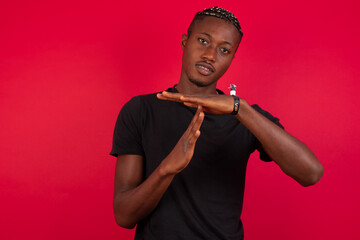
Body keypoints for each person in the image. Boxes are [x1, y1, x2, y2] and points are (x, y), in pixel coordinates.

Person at [110, 6, 324, 240]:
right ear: (185, 41)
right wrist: (166, 169)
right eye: (203, 40)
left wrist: (239, 107)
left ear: (232, 58)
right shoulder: (141, 110)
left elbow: (311, 173)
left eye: (224, 50)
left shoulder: (244, 117)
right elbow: (124, 215)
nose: (210, 55)